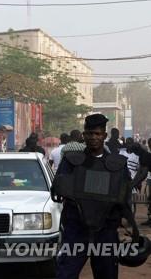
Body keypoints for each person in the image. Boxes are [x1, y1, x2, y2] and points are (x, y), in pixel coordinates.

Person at [53, 114, 132, 279]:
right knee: (65, 273)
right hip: (76, 228)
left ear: (104, 135)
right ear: (84, 135)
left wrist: (127, 220)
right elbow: (59, 189)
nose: (93, 137)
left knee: (107, 274)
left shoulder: (117, 165)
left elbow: (124, 196)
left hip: (106, 229)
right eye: (89, 133)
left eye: (97, 134)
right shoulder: (71, 161)